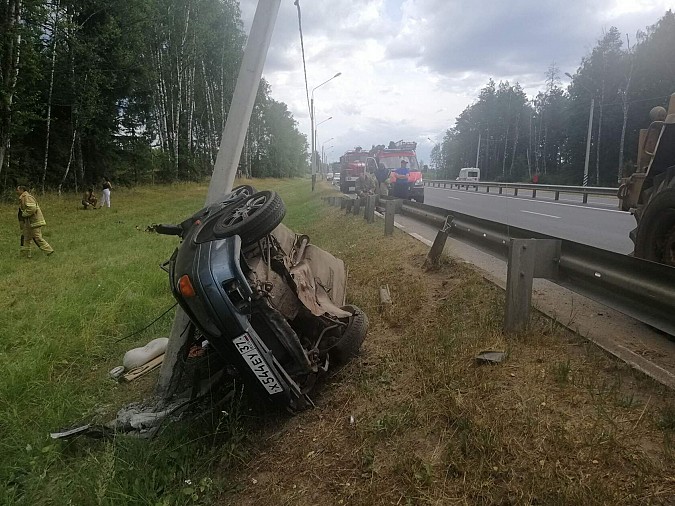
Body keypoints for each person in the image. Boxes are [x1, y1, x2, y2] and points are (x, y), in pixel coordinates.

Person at [16, 185, 53, 257]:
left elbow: (32, 208)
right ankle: (24, 255)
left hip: (34, 221)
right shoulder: (23, 198)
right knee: (26, 237)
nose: (16, 191)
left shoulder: (27, 197)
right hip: (29, 222)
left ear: (22, 190)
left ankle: (49, 251)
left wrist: (24, 214)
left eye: (17, 190)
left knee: (37, 237)